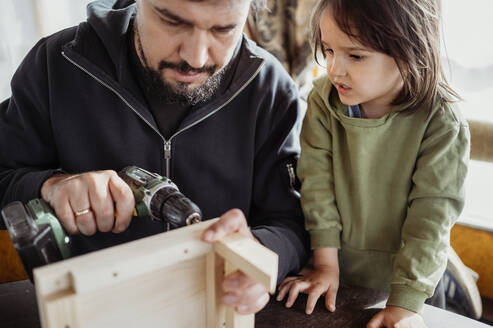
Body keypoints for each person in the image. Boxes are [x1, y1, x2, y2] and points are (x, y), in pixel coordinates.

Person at [0, 0, 309, 315]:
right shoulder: (57, 63)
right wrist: (50, 187)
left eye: (223, 29)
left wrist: (261, 255)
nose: (195, 58)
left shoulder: (272, 90)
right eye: (172, 21)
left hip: (215, 312)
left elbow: (292, 223)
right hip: (89, 312)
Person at [276, 0, 470, 327]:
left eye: (356, 55)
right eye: (329, 50)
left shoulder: (441, 123)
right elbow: (317, 187)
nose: (335, 68)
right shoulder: (323, 100)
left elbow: (431, 219)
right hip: (336, 271)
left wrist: (406, 304)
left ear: (409, 50)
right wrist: (325, 264)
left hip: (412, 287)